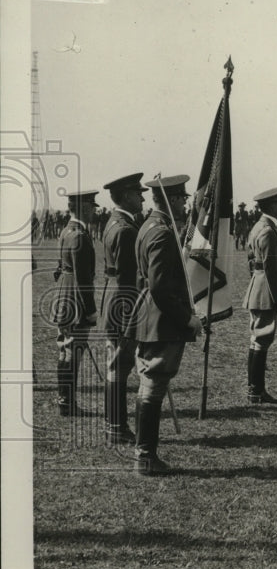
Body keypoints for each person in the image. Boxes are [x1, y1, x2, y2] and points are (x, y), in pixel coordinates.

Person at [126, 175, 203, 475]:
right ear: (170, 201)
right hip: (161, 321)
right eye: (182, 198)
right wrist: (187, 319)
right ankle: (145, 458)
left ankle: (143, 454)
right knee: (154, 386)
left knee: (149, 385)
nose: (185, 202)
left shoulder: (149, 226)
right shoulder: (161, 232)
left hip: (149, 317)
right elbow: (158, 286)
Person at [99, 173, 148, 444]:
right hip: (123, 303)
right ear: (127, 196)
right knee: (119, 366)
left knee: (114, 365)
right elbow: (130, 278)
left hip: (113, 298)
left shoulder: (113, 222)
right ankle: (116, 426)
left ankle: (113, 424)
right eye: (138, 193)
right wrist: (133, 316)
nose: (142, 198)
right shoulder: (127, 230)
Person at [51, 189, 100, 417]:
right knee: (72, 351)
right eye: (91, 206)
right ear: (82, 207)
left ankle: (64, 398)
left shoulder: (67, 230)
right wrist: (90, 311)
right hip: (74, 299)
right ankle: (66, 402)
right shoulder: (79, 235)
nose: (94, 210)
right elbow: (83, 279)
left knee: (65, 349)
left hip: (64, 295)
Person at [242, 187, 277, 404]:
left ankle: (255, 389)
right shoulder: (268, 230)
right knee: (262, 339)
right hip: (266, 290)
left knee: (257, 340)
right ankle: (256, 391)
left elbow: (252, 261)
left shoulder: (259, 226)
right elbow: (270, 268)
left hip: (257, 286)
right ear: (271, 206)